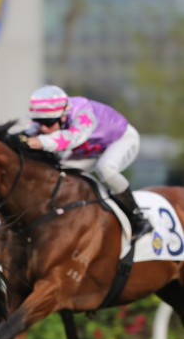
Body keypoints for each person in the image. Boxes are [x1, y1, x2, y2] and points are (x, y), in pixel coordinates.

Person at [21, 85, 152, 239]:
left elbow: (71, 139)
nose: (43, 128)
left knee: (106, 169)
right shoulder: (50, 118)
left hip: (121, 140)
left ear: (63, 116)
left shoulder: (83, 113)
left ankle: (137, 217)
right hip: (92, 150)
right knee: (59, 170)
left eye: (48, 123)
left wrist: (38, 141)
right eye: (39, 122)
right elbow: (27, 134)